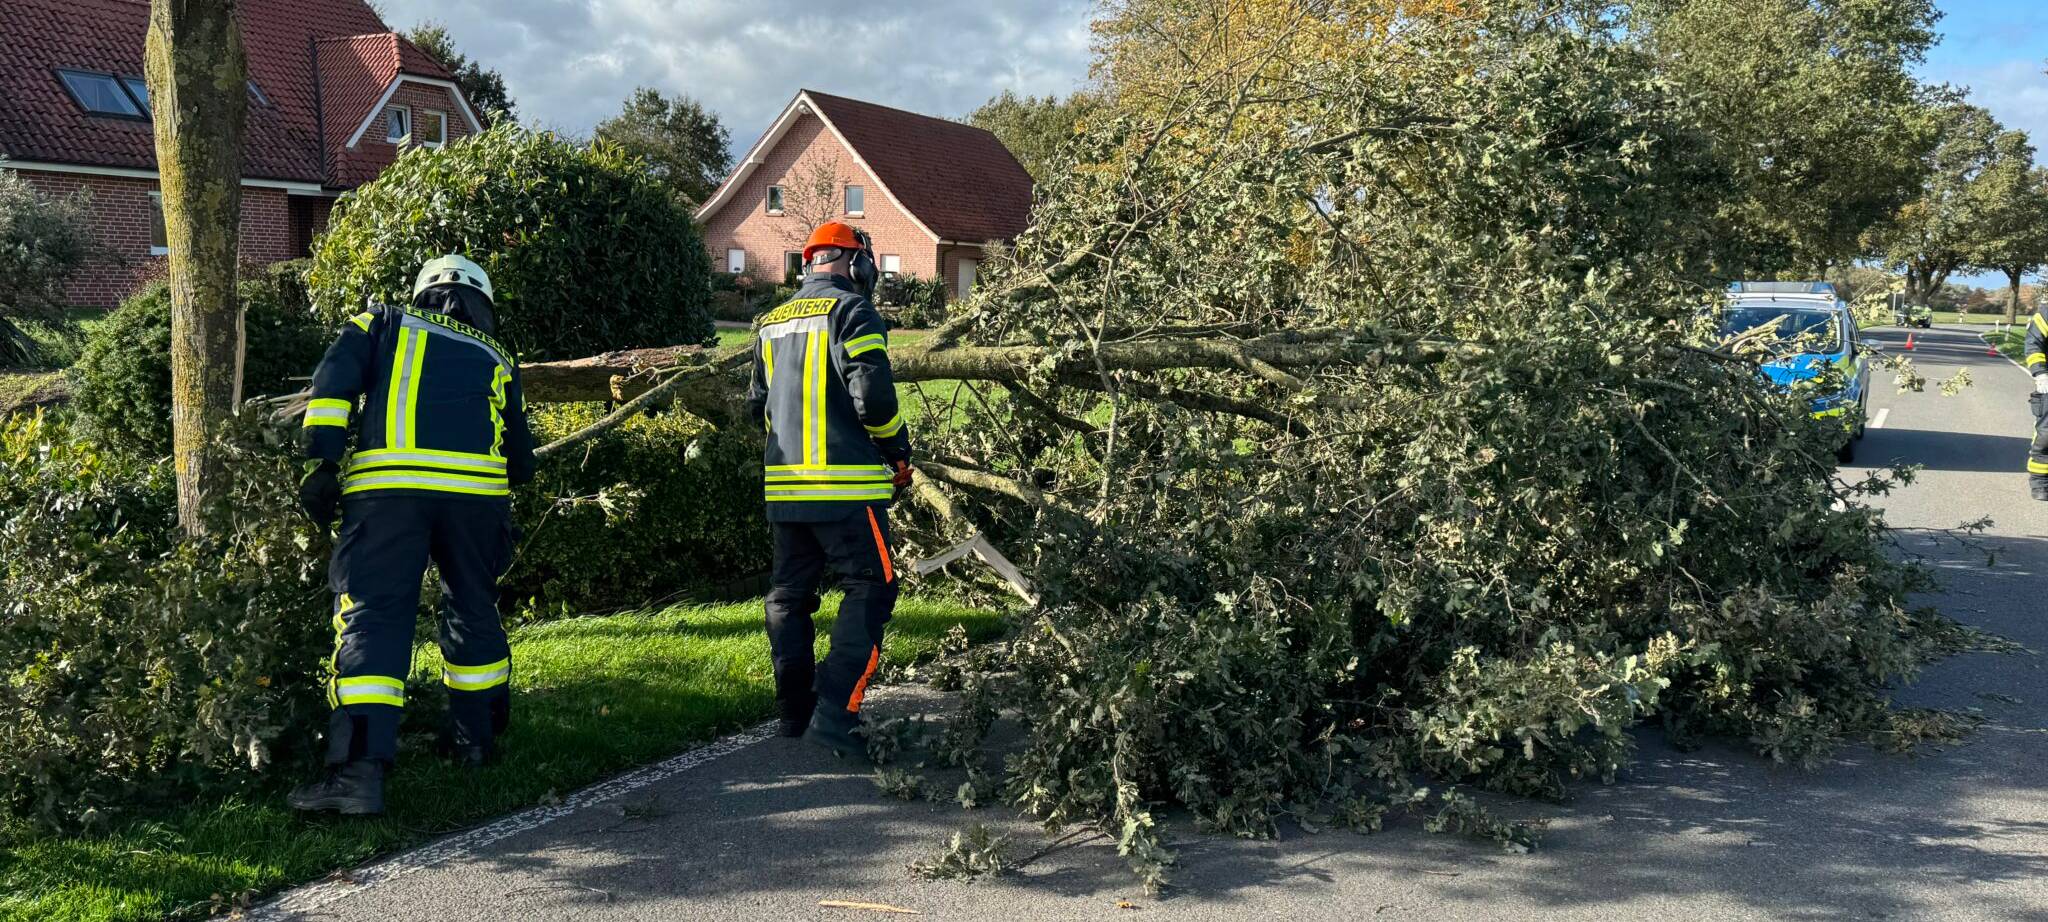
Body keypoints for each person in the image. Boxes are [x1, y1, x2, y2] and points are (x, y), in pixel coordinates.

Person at [287, 254, 536, 815]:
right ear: (484, 304)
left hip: (387, 498)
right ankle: (476, 743)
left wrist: (320, 464)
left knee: (374, 615)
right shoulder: (497, 356)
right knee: (474, 607)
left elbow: (332, 388)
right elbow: (521, 461)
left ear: (424, 292)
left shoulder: (380, 322)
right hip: (478, 501)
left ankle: (359, 773)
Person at [746, 222, 914, 759]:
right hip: (846, 488)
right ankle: (837, 714)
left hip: (784, 490)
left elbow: (758, 407)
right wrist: (897, 454)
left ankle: (794, 712)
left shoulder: (769, 322)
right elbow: (875, 400)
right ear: (853, 262)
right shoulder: (852, 312)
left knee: (789, 596)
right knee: (872, 586)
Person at [2028, 298, 2048, 501]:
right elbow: (2034, 344)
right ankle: (2040, 481)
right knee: (2046, 434)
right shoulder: (2046, 313)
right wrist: (2040, 373)